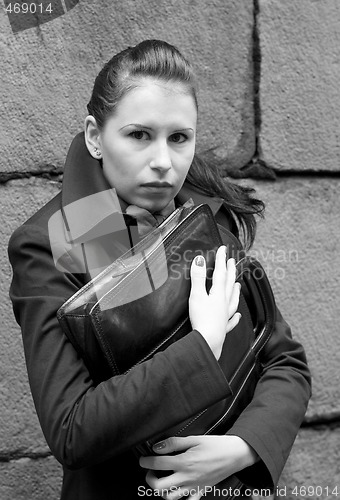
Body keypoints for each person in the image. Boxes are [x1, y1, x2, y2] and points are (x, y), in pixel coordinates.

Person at [8, 39, 311, 500]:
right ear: (95, 136)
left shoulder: (205, 218)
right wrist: (202, 347)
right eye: (138, 135)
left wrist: (243, 448)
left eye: (179, 138)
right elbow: (72, 431)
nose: (163, 162)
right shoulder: (50, 243)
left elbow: (284, 360)